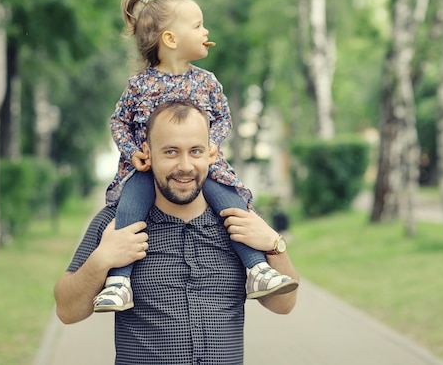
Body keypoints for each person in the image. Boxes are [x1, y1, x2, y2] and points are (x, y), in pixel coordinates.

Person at [94, 0, 297, 312]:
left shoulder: (207, 82)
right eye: (199, 25)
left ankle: (257, 269)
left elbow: (223, 117)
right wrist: (131, 150)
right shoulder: (139, 85)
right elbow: (118, 121)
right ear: (171, 39)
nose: (206, 33)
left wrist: (213, 143)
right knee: (129, 214)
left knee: (234, 206)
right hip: (148, 168)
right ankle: (119, 282)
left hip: (206, 166)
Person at [54, 100, 299, 364]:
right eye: (171, 152)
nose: (185, 165)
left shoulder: (244, 222)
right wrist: (102, 260)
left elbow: (283, 305)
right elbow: (67, 311)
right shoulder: (115, 225)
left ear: (211, 153)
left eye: (195, 151)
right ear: (147, 153)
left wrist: (275, 244)